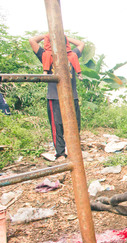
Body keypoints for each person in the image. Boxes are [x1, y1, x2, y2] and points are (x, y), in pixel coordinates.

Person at [29, 33, 84, 161]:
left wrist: (63, 36)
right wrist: (49, 34)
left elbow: (81, 44)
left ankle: (73, 151)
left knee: (75, 125)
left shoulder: (71, 55)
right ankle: (60, 153)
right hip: (55, 97)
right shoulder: (46, 55)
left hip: (72, 96)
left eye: (61, 42)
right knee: (57, 126)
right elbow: (32, 40)